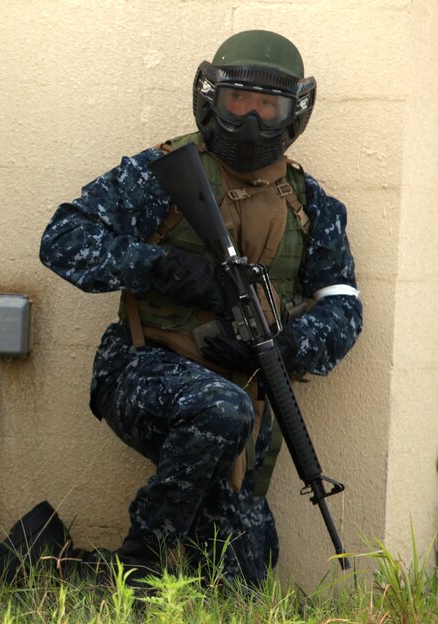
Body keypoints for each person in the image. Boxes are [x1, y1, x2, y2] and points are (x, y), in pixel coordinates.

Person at [39, 30, 362, 585]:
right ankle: (140, 562)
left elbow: (344, 306)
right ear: (213, 98)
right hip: (143, 369)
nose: (252, 121)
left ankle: (62, 564)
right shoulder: (163, 174)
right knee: (221, 409)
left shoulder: (312, 204)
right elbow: (62, 238)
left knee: (241, 582)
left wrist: (288, 344)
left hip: (249, 389)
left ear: (294, 112)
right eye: (239, 101)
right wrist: (159, 267)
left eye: (268, 106)